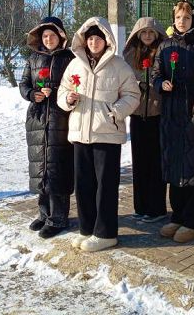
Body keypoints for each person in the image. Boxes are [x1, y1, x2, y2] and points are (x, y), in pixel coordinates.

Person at [57, 17, 140, 252]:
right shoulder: (75, 65)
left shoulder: (119, 65)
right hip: (80, 133)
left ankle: (105, 233)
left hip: (107, 134)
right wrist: (67, 99)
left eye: (98, 38)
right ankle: (87, 229)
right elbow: (63, 91)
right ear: (84, 40)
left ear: (106, 41)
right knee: (83, 184)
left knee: (105, 186)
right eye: (90, 38)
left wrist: (115, 112)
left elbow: (133, 95)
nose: (94, 42)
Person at [151, 0, 194, 243]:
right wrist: (161, 84)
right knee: (173, 165)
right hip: (170, 115)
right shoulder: (165, 45)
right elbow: (156, 73)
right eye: (178, 18)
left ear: (193, 20)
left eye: (186, 18)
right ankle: (177, 216)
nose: (182, 22)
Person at [18, 17, 75, 238]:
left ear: (60, 36)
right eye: (45, 36)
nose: (48, 39)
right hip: (37, 118)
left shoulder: (69, 58)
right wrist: (33, 94)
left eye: (52, 35)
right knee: (40, 167)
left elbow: (76, 85)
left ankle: (58, 218)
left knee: (57, 168)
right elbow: (24, 84)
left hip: (60, 119)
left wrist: (56, 91)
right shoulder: (34, 58)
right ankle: (44, 213)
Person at [123, 17, 168, 222]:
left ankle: (156, 208)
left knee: (156, 162)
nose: (148, 36)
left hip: (157, 114)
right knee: (140, 162)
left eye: (151, 32)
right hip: (137, 113)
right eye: (144, 32)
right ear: (137, 34)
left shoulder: (163, 52)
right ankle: (140, 206)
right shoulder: (130, 55)